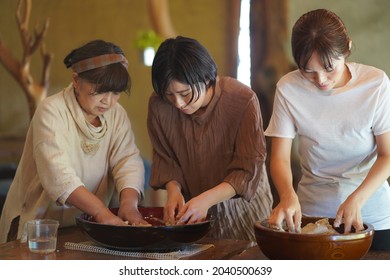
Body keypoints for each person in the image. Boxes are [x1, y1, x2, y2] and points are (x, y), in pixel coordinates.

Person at [265, 9, 390, 250]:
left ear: (347, 49)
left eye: (329, 68)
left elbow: (387, 155)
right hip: (313, 215)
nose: (320, 80)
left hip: (373, 215)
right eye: (308, 71)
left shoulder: (375, 84)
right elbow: (279, 158)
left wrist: (357, 199)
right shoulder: (288, 89)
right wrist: (288, 195)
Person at [0, 39, 148, 243]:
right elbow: (58, 175)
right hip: (40, 226)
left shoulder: (116, 114)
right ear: (76, 81)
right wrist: (101, 212)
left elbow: (127, 161)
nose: (108, 101)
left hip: (88, 224)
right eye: (100, 90)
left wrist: (129, 206)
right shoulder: (51, 111)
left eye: (115, 92)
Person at [147, 36, 273, 241]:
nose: (178, 103)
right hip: (193, 218)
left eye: (185, 93)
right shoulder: (159, 105)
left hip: (244, 213)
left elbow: (247, 168)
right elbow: (165, 157)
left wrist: (206, 200)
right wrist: (173, 190)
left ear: (206, 78)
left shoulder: (242, 100)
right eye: (169, 95)